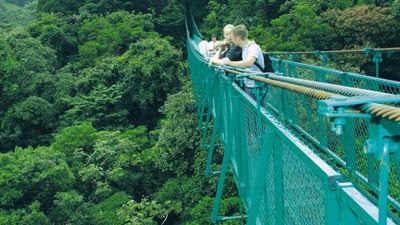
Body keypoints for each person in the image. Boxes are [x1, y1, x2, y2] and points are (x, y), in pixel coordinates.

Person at [212, 24, 264, 97]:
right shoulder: (244, 48)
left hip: (255, 85)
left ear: (237, 38)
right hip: (250, 83)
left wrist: (230, 63)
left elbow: (249, 63)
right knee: (248, 107)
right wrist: (222, 44)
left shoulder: (253, 47)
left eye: (232, 37)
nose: (231, 40)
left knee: (251, 108)